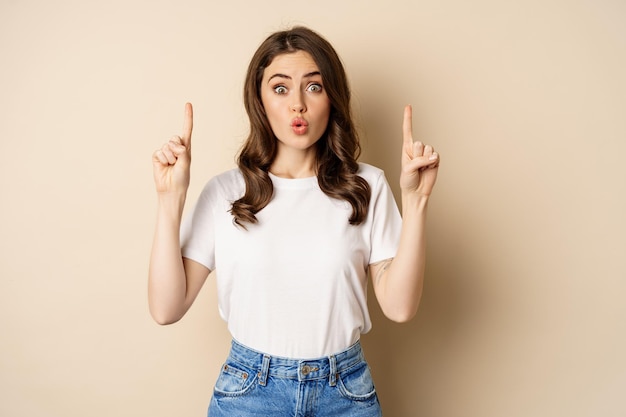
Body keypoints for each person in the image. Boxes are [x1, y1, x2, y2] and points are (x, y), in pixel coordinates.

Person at [149, 26, 439, 417]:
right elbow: (166, 308)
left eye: (314, 87)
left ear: (333, 98)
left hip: (345, 393)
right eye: (281, 88)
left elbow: (400, 307)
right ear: (260, 100)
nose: (297, 104)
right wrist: (171, 199)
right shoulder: (226, 192)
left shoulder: (366, 185)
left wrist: (416, 202)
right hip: (249, 393)